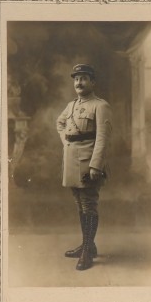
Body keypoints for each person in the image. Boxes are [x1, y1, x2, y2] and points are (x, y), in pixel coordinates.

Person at [56, 64, 112, 270]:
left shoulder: (100, 105)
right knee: (80, 204)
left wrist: (96, 165)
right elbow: (59, 124)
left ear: (93, 82)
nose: (79, 82)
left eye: (84, 78)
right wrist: (66, 141)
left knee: (89, 205)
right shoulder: (71, 106)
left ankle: (88, 251)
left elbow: (103, 138)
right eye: (76, 79)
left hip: (89, 163)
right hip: (71, 162)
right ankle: (88, 244)